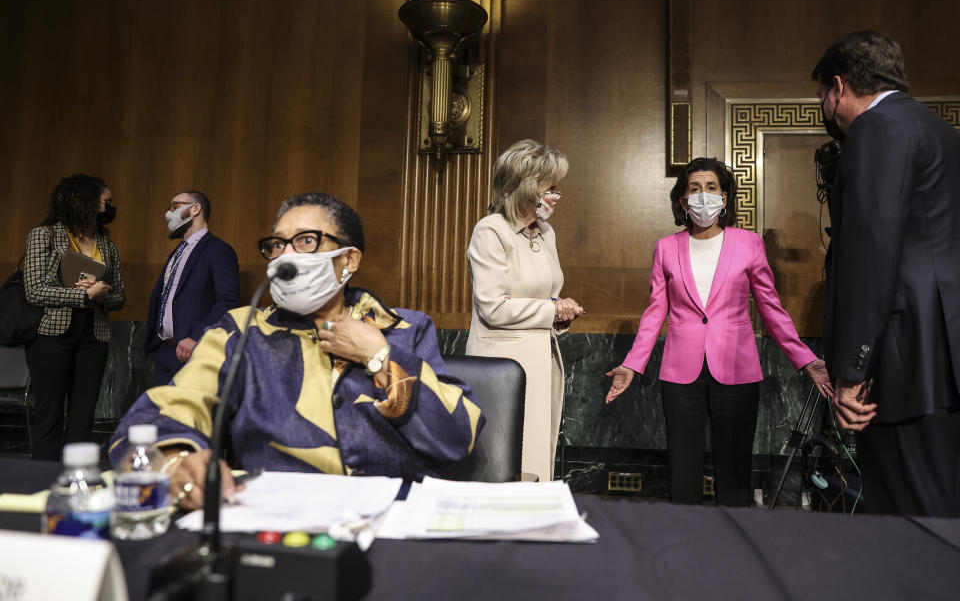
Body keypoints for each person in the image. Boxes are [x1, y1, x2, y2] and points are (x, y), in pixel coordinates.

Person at [111, 193, 484, 509]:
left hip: (395, 517)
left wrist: (380, 358)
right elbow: (166, 411)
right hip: (276, 515)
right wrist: (175, 463)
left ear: (348, 260)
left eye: (306, 241)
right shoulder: (243, 331)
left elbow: (456, 436)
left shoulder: (404, 329)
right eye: (277, 244)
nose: (285, 256)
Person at [605, 157, 831, 506]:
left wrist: (805, 359)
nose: (703, 195)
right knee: (683, 472)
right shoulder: (666, 248)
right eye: (694, 189)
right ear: (682, 201)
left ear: (725, 198)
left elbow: (771, 308)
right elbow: (655, 312)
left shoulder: (749, 243)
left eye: (711, 188)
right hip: (681, 373)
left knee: (735, 473)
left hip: (738, 369)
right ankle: (684, 547)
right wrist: (633, 365)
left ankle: (732, 550)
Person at [813, 31, 960, 516]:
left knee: (908, 519)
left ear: (838, 86)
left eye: (821, 95)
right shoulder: (938, 130)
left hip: (903, 359)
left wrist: (851, 374)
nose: (823, 106)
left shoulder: (876, 129)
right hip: (943, 356)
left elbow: (870, 254)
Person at [466, 139, 583, 482]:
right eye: (550, 187)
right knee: (507, 464)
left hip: (542, 358)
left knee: (537, 459)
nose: (556, 196)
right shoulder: (491, 230)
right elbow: (492, 306)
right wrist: (553, 311)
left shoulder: (545, 232)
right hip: (503, 366)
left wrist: (562, 312)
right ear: (525, 187)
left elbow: (548, 296)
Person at [23, 174, 126, 460]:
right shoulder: (45, 235)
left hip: (94, 337)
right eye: (107, 202)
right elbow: (34, 291)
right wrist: (83, 296)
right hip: (51, 337)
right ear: (86, 202)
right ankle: (41, 484)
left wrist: (102, 295)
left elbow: (120, 296)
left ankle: (76, 483)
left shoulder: (107, 245)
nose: (111, 207)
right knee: (49, 413)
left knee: (83, 418)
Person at [145, 191, 240, 385]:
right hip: (164, 351)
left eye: (175, 206)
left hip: (193, 351)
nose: (168, 213)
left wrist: (197, 337)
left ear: (195, 209)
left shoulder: (218, 250)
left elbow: (227, 301)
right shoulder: (176, 252)